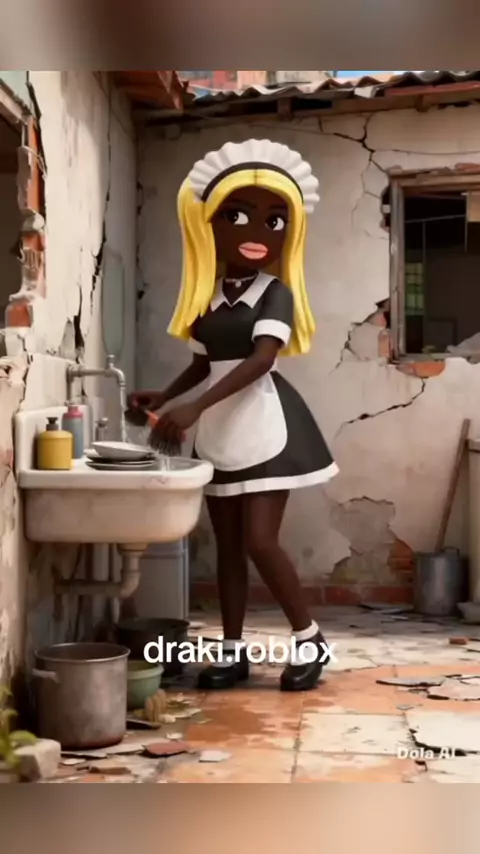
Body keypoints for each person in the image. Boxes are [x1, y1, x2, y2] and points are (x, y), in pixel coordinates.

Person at [129, 139, 338, 692]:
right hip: (220, 430)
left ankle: (310, 639)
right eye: (238, 216)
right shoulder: (211, 296)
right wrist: (163, 398)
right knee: (226, 547)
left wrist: (195, 406)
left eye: (275, 221)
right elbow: (205, 364)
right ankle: (232, 649)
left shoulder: (276, 294)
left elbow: (261, 359)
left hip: (266, 426)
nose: (257, 232)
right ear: (208, 225)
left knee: (260, 542)